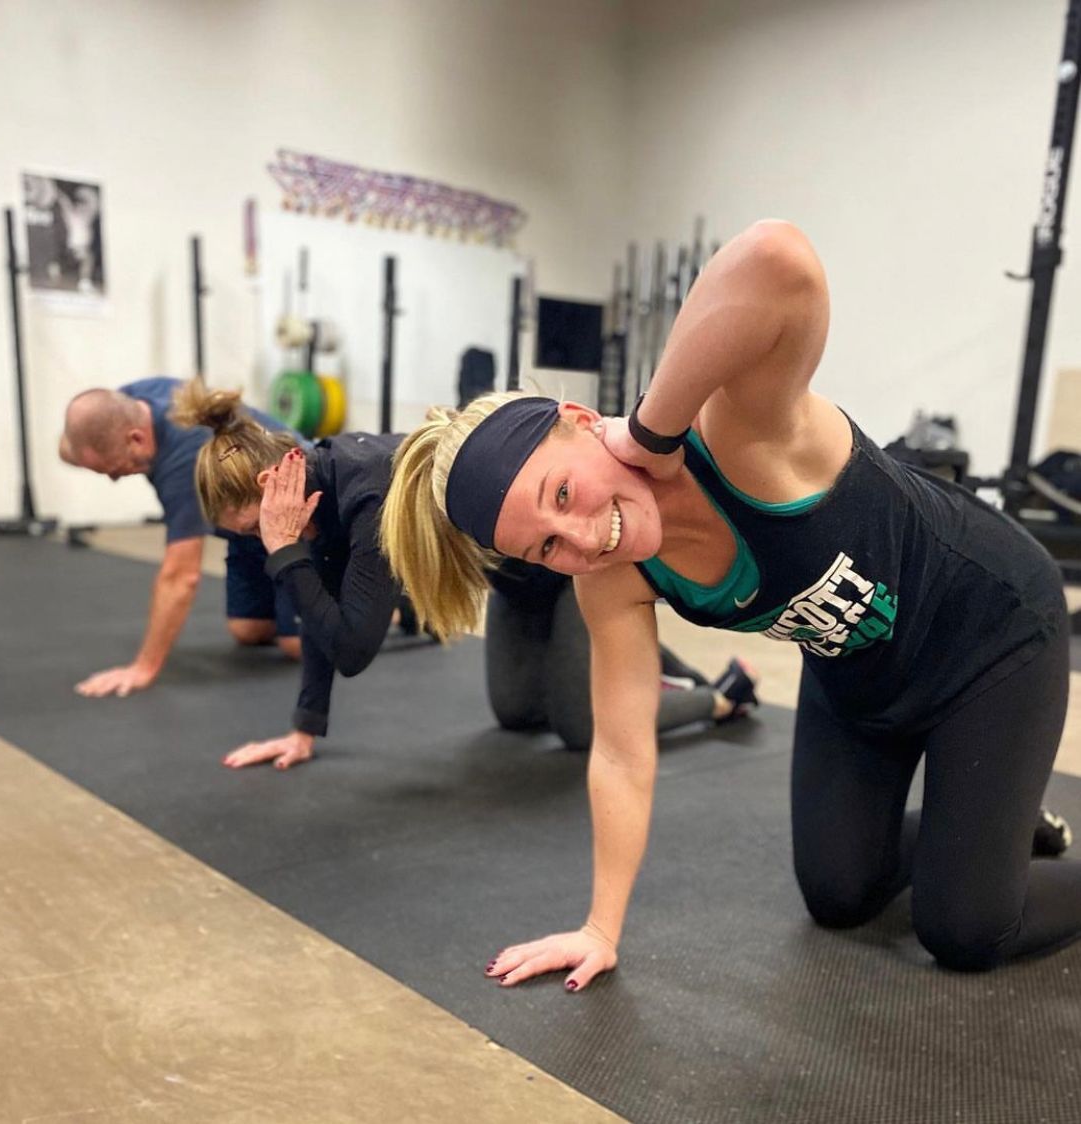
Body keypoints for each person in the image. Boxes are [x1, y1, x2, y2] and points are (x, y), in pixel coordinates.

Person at [380, 219, 1080, 989]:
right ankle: (998, 828)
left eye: (561, 493)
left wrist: (653, 428)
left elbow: (777, 259)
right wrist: (597, 929)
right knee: (839, 897)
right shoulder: (609, 577)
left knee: (964, 930)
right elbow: (619, 750)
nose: (581, 538)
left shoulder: (738, 434)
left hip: (993, 638)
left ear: (581, 424)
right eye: (545, 547)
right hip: (857, 678)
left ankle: (986, 846)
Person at [171, 380, 403, 770]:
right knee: (516, 714)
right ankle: (406, 608)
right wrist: (303, 730)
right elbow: (319, 613)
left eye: (252, 529)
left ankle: (405, 607)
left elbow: (351, 653)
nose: (261, 542)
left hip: (534, 563)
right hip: (506, 582)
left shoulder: (366, 493)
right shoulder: (316, 496)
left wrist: (284, 548)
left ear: (268, 484)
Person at [60, 378, 301, 698]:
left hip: (296, 515)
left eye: (117, 469)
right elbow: (70, 443)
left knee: (297, 645)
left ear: (135, 438)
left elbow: (180, 577)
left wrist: (144, 667)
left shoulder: (184, 459)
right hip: (248, 524)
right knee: (249, 631)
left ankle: (379, 605)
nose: (116, 479)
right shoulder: (130, 403)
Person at [486, 558, 758, 750]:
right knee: (518, 712)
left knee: (583, 727)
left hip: (577, 564)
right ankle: (637, 658)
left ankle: (719, 698)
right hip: (513, 578)